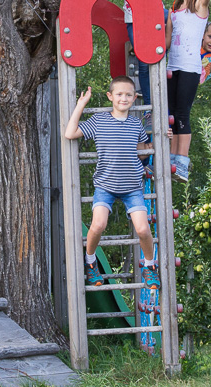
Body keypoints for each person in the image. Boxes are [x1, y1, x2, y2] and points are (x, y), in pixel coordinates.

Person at [64, 78, 162, 289]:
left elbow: (144, 151)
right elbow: (70, 133)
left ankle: (149, 266)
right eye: (119, 94)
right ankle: (90, 262)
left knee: (144, 230)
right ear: (110, 96)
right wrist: (81, 105)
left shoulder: (136, 124)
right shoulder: (99, 121)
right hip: (106, 186)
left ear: (134, 99)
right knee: (98, 225)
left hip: (132, 187)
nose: (123, 98)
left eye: (128, 95)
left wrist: (164, 137)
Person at [166, 0, 211, 183]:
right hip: (171, 67)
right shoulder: (173, 9)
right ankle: (170, 160)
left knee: (183, 112)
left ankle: (181, 162)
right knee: (170, 114)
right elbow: (166, 40)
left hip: (190, 68)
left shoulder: (198, 7)